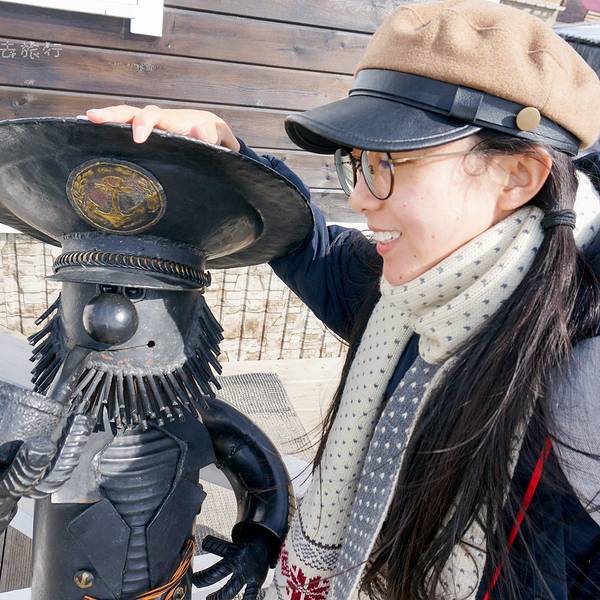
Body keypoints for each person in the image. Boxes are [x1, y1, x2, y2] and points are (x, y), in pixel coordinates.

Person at [81, 1, 600, 598]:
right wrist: (226, 159)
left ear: (517, 176)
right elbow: (312, 248)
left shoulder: (582, 364)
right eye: (357, 163)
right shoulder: (409, 286)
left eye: (390, 163)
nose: (358, 199)